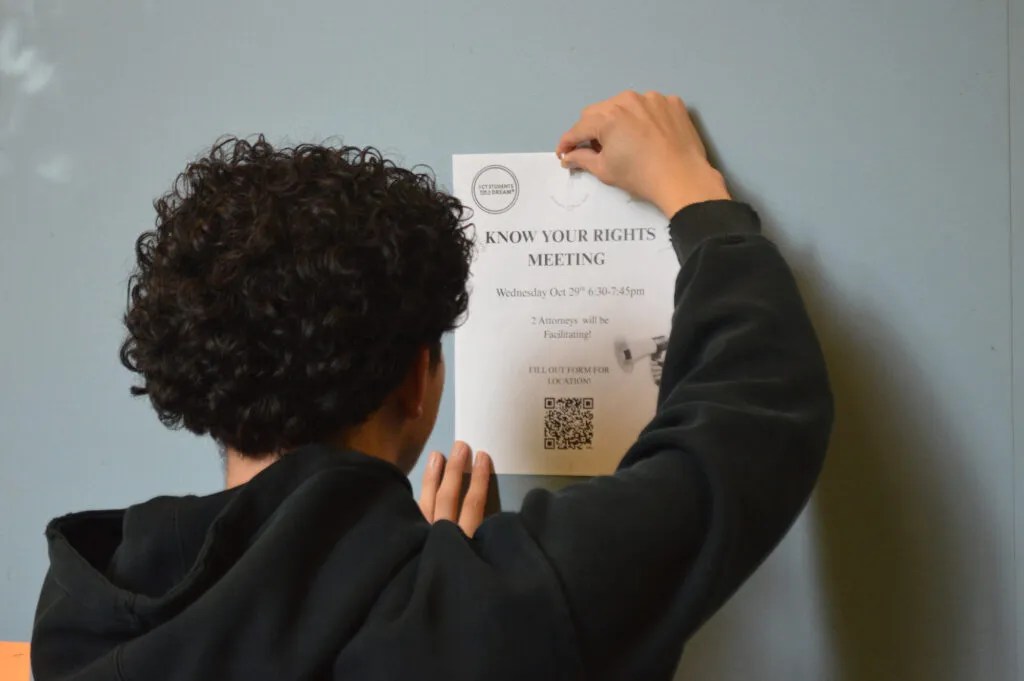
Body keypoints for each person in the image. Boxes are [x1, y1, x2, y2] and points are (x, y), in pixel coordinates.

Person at [31, 91, 833, 681]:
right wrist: (697, 198)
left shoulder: (83, 615)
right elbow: (747, 430)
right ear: (419, 378)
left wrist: (417, 581)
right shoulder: (484, 615)